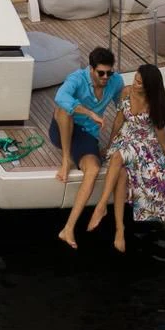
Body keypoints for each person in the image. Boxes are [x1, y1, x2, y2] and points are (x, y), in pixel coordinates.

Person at [88, 63, 165, 252]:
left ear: (149, 86)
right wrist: (109, 144)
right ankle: (120, 229)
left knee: (118, 157)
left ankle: (101, 206)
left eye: (140, 83)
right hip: (125, 137)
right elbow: (119, 120)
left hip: (144, 142)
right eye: (135, 79)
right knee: (122, 173)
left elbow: (159, 128)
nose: (135, 84)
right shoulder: (126, 92)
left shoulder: (154, 102)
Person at [54, 47, 124, 249]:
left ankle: (68, 229)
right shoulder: (77, 78)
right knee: (64, 109)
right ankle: (66, 159)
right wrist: (89, 113)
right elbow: (61, 97)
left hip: (86, 135)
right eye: (101, 73)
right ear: (91, 69)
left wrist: (114, 143)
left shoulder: (116, 81)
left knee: (93, 169)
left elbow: (122, 109)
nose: (105, 77)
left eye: (109, 73)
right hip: (63, 129)